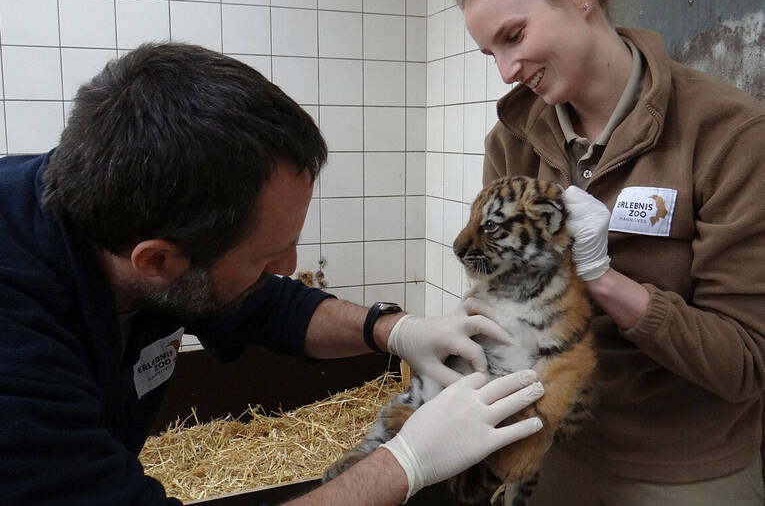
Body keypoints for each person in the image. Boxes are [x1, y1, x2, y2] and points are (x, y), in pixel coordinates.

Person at [0, 42, 546, 506]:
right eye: (265, 258)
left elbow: (263, 304)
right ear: (159, 261)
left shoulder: (120, 206)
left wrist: (394, 330)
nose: (289, 268)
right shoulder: (19, 363)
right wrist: (404, 463)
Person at [451, 0, 765, 504]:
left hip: (681, 466)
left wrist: (603, 278)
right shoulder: (512, 140)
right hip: (550, 443)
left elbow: (744, 363)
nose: (507, 71)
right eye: (490, 54)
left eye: (513, 36)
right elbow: (503, 302)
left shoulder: (727, 133)